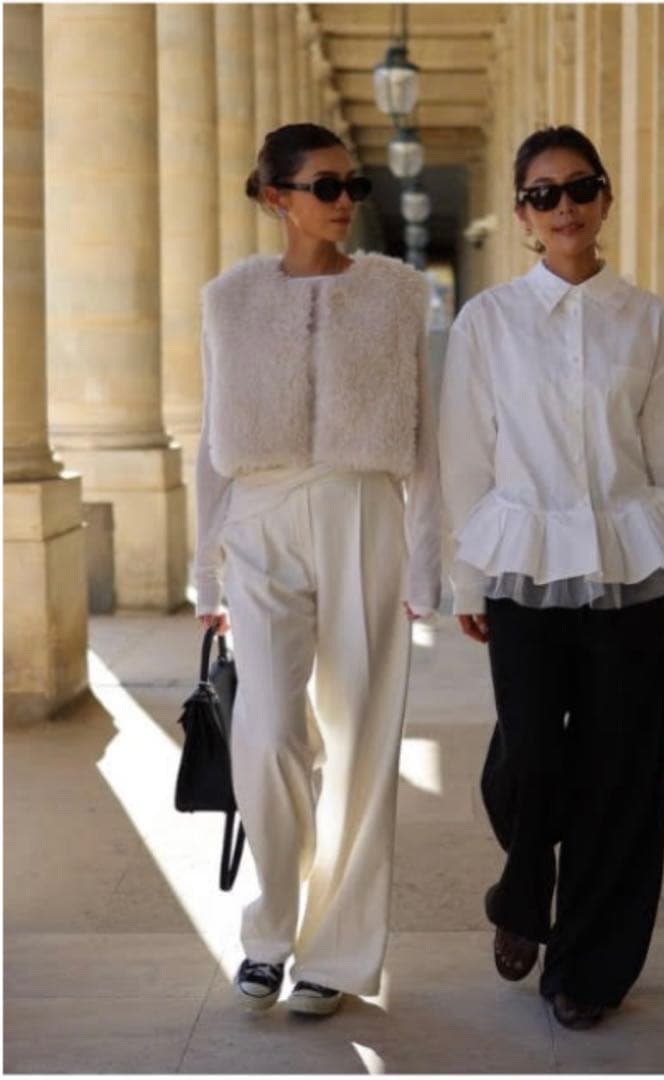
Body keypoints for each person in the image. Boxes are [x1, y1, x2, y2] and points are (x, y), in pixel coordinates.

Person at [438, 126, 664, 1030]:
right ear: (520, 213)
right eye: (543, 193)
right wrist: (467, 579)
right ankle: (525, 888)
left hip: (632, 565)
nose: (564, 207)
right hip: (522, 562)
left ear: (605, 197)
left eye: (579, 187)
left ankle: (588, 968)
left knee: (621, 771)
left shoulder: (651, 320)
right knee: (527, 759)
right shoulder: (486, 322)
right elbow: (464, 459)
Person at [195, 123, 441, 1017]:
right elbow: (211, 437)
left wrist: (427, 560)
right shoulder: (228, 300)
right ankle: (269, 932)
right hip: (260, 517)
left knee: (364, 734)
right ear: (277, 197)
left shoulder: (397, 294)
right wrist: (205, 570)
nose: (344, 202)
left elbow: (426, 436)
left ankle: (336, 955)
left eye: (352, 186)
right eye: (325, 186)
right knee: (265, 730)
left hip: (362, 509)